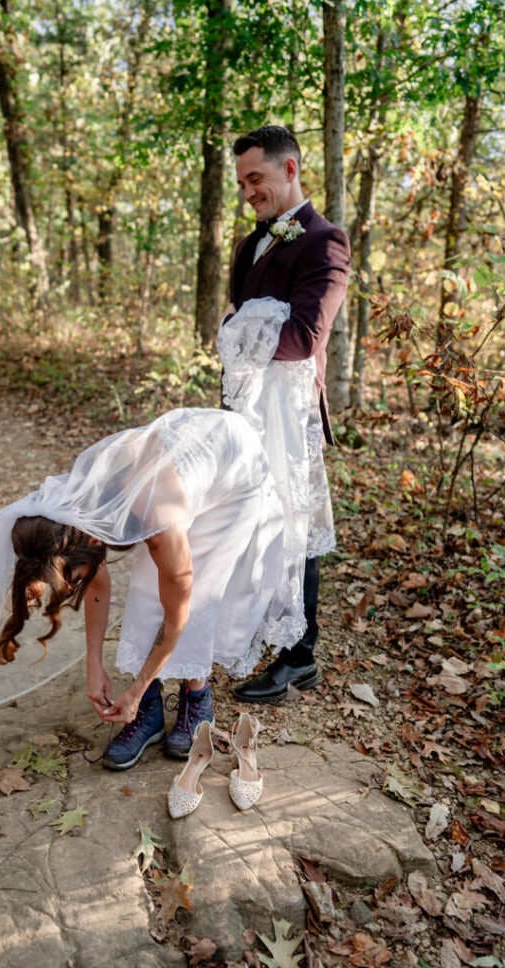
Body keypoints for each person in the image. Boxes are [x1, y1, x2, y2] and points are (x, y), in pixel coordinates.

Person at [0, 407, 307, 769]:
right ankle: (151, 709)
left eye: (74, 578)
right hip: (173, 469)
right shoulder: (71, 512)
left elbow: (178, 615)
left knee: (197, 591)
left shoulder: (158, 520)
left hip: (234, 466)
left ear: (80, 546)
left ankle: (196, 696)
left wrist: (135, 689)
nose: (78, 586)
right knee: (145, 592)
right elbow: (97, 584)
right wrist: (94, 666)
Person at [218, 124, 350, 704]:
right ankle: (258, 628)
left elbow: (303, 336)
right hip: (245, 404)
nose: (249, 191)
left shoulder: (325, 241)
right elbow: (230, 317)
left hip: (291, 412)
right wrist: (239, 333)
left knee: (296, 526)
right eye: (242, 182)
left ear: (290, 169)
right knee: (250, 520)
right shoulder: (248, 245)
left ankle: (300, 656)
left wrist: (240, 329)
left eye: (257, 178)